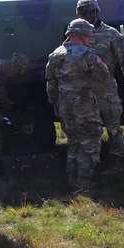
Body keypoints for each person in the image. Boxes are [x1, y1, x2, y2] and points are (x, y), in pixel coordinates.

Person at [76, 0, 124, 173]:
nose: (87, 15)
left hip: (106, 88)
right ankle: (90, 164)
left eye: (89, 11)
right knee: (87, 128)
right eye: (83, 12)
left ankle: (115, 164)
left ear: (96, 11)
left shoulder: (111, 34)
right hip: (84, 90)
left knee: (113, 128)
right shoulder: (75, 33)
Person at [46, 19, 109, 192]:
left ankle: (71, 177)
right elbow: (103, 75)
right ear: (83, 35)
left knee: (73, 140)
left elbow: (50, 84)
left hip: (64, 103)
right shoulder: (86, 54)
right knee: (89, 140)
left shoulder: (54, 55)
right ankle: (84, 183)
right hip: (84, 102)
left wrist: (55, 104)